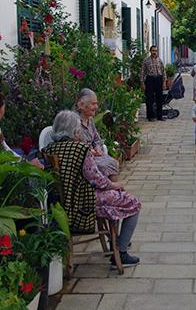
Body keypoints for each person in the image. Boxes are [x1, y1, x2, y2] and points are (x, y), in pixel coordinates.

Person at [44, 110, 141, 267]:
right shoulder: (81, 150)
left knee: (115, 196)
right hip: (84, 204)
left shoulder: (49, 149)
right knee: (133, 202)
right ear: (75, 131)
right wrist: (115, 185)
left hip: (62, 204)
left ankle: (115, 242)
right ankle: (120, 251)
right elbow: (97, 180)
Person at [0, 88, 43, 168]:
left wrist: (26, 163)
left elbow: (7, 150)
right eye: (3, 107)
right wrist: (27, 165)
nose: (4, 110)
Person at [75, 88, 119, 180]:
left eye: (96, 103)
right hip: (82, 161)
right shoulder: (73, 122)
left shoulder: (90, 120)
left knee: (113, 162)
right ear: (82, 105)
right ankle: (109, 190)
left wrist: (98, 148)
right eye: (93, 104)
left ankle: (111, 191)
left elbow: (97, 139)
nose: (96, 107)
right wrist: (90, 151)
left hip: (93, 156)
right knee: (106, 165)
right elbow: (74, 145)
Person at [140, 45, 166, 121]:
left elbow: (163, 71)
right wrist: (142, 83)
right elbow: (142, 72)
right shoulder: (146, 61)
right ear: (150, 51)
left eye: (155, 51)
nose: (154, 52)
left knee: (159, 98)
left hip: (158, 79)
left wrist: (164, 82)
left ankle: (159, 116)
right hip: (150, 80)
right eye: (153, 51)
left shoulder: (159, 60)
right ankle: (150, 116)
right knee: (149, 99)